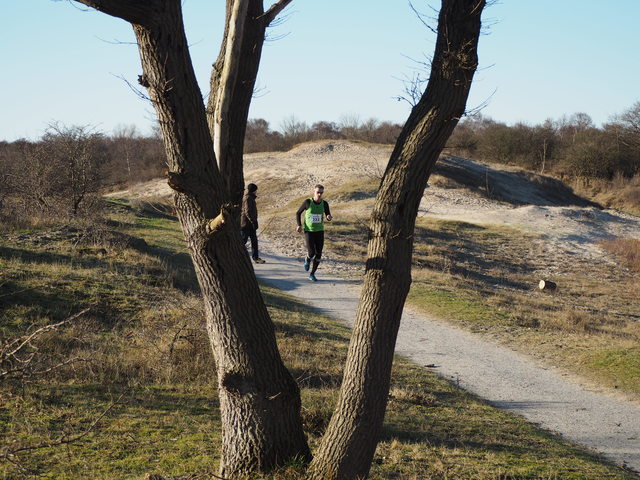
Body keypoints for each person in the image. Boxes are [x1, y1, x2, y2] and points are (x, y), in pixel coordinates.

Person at [296, 184, 332, 281]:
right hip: (309, 231)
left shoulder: (324, 203)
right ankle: (308, 259)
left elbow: (328, 214)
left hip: (320, 231)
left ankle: (312, 274)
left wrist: (329, 217)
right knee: (311, 252)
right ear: (314, 192)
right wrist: (299, 225)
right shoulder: (308, 202)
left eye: (321, 193)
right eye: (318, 192)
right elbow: (298, 213)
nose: (319, 194)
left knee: (319, 253)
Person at [241, 183, 265, 264]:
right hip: (246, 224)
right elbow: (247, 212)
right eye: (256, 190)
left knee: (254, 241)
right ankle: (236, 256)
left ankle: (256, 258)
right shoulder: (248, 198)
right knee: (243, 241)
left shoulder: (250, 198)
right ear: (254, 190)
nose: (256, 192)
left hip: (250, 224)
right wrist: (253, 222)